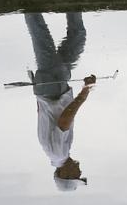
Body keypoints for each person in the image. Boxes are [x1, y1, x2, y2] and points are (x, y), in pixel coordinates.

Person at [25, 12, 95, 191]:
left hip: (51, 88)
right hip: (55, 87)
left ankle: (28, 2)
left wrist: (84, 93)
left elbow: (64, 120)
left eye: (76, 175)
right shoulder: (56, 154)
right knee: (78, 37)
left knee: (41, 36)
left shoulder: (58, 153)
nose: (79, 170)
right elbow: (43, 114)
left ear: (63, 175)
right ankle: (73, 1)